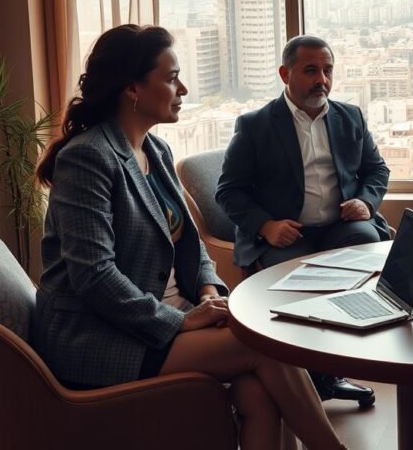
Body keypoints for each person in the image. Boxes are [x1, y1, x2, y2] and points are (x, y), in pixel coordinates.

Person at [32, 25, 348, 450]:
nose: (183, 88)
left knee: (258, 393)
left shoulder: (155, 151)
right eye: (171, 77)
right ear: (132, 88)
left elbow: (191, 245)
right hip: (100, 338)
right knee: (269, 346)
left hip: (166, 316)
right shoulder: (88, 158)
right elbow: (93, 276)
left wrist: (206, 292)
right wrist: (180, 321)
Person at [217, 34, 391, 404]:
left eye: (327, 70)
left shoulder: (351, 117)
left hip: (340, 226)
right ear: (285, 73)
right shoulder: (255, 125)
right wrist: (266, 225)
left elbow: (376, 170)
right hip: (286, 234)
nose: (322, 80)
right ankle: (304, 382)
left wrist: (366, 202)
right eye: (311, 70)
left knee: (368, 248)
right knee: (299, 288)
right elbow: (229, 191)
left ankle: (330, 375)